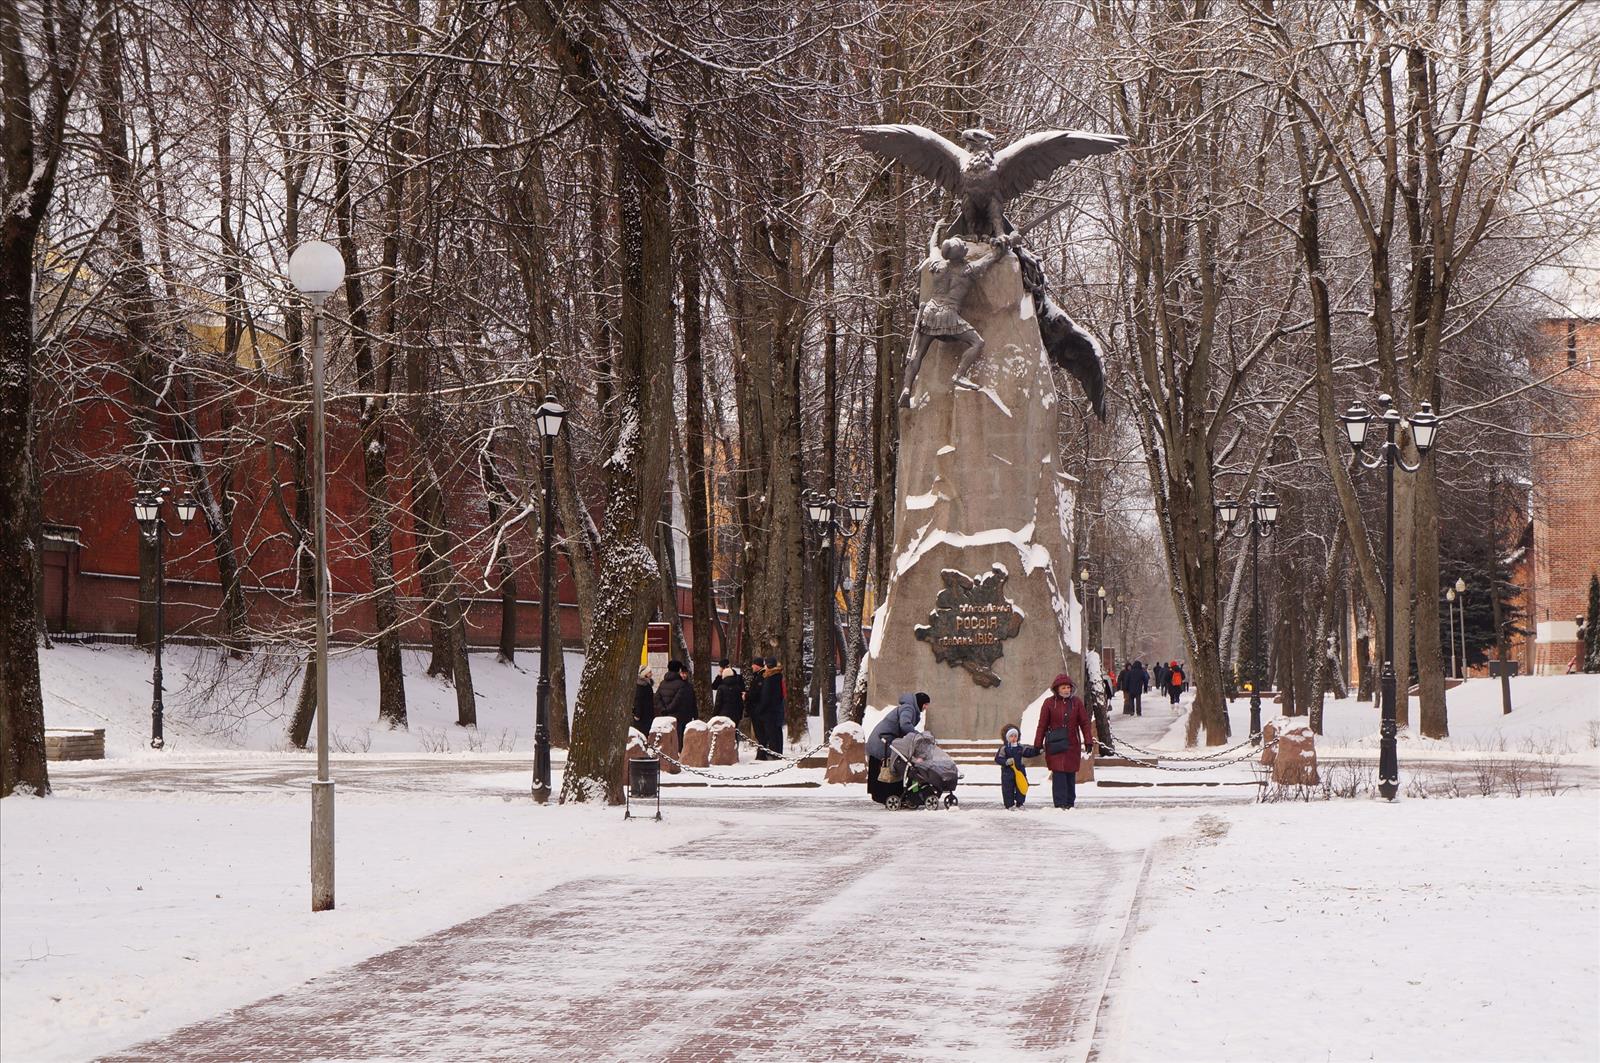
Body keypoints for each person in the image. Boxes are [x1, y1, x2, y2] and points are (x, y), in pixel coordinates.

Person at [1032, 674, 1095, 810]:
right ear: (1057, 689)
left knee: (1070, 773)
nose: (1066, 690)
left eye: (1068, 687)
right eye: (1063, 687)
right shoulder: (1049, 703)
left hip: (1072, 743)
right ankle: (1060, 804)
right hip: (1055, 744)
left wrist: (1088, 741)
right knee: (1059, 772)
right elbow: (1042, 724)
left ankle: (1069, 803)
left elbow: (1084, 723)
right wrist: (1038, 743)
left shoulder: (1076, 702)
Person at [866, 692, 928, 805]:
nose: (926, 707)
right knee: (896, 765)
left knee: (897, 764)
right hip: (882, 741)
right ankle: (891, 794)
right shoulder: (909, 708)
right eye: (925, 704)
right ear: (919, 703)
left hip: (885, 739)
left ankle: (890, 794)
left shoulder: (909, 708)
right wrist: (918, 736)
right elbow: (904, 724)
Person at [994, 724, 1038, 810]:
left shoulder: (1020, 747)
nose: (1013, 738)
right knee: (1008, 789)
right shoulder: (1004, 748)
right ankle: (1009, 804)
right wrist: (1005, 762)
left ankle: (1020, 803)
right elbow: (998, 758)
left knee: (1021, 786)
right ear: (1007, 737)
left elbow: (1029, 752)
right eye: (1011, 736)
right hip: (1007, 772)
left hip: (1020, 771)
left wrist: (1037, 751)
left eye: (1015, 736)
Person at [654, 659, 697, 740]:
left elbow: (657, 698)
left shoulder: (663, 683)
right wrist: (669, 709)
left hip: (665, 717)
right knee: (677, 740)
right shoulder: (682, 684)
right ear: (678, 670)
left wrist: (663, 709)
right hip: (678, 717)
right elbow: (677, 700)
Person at [756, 656, 786, 760]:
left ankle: (774, 754)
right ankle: (778, 752)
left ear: (768, 666)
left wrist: (760, 709)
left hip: (770, 711)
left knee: (772, 733)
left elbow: (766, 696)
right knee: (777, 732)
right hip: (776, 709)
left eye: (765, 664)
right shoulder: (778, 677)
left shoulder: (770, 679)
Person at [711, 659, 745, 725]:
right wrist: (719, 675)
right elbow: (714, 686)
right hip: (735, 712)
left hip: (726, 710)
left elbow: (718, 703)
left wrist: (714, 715)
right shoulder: (722, 677)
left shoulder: (734, 677)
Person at [632, 668, 656, 736]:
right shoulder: (642, 685)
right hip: (643, 715)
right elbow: (638, 700)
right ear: (645, 674)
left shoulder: (647, 684)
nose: (651, 674)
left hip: (647, 713)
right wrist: (638, 714)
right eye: (649, 672)